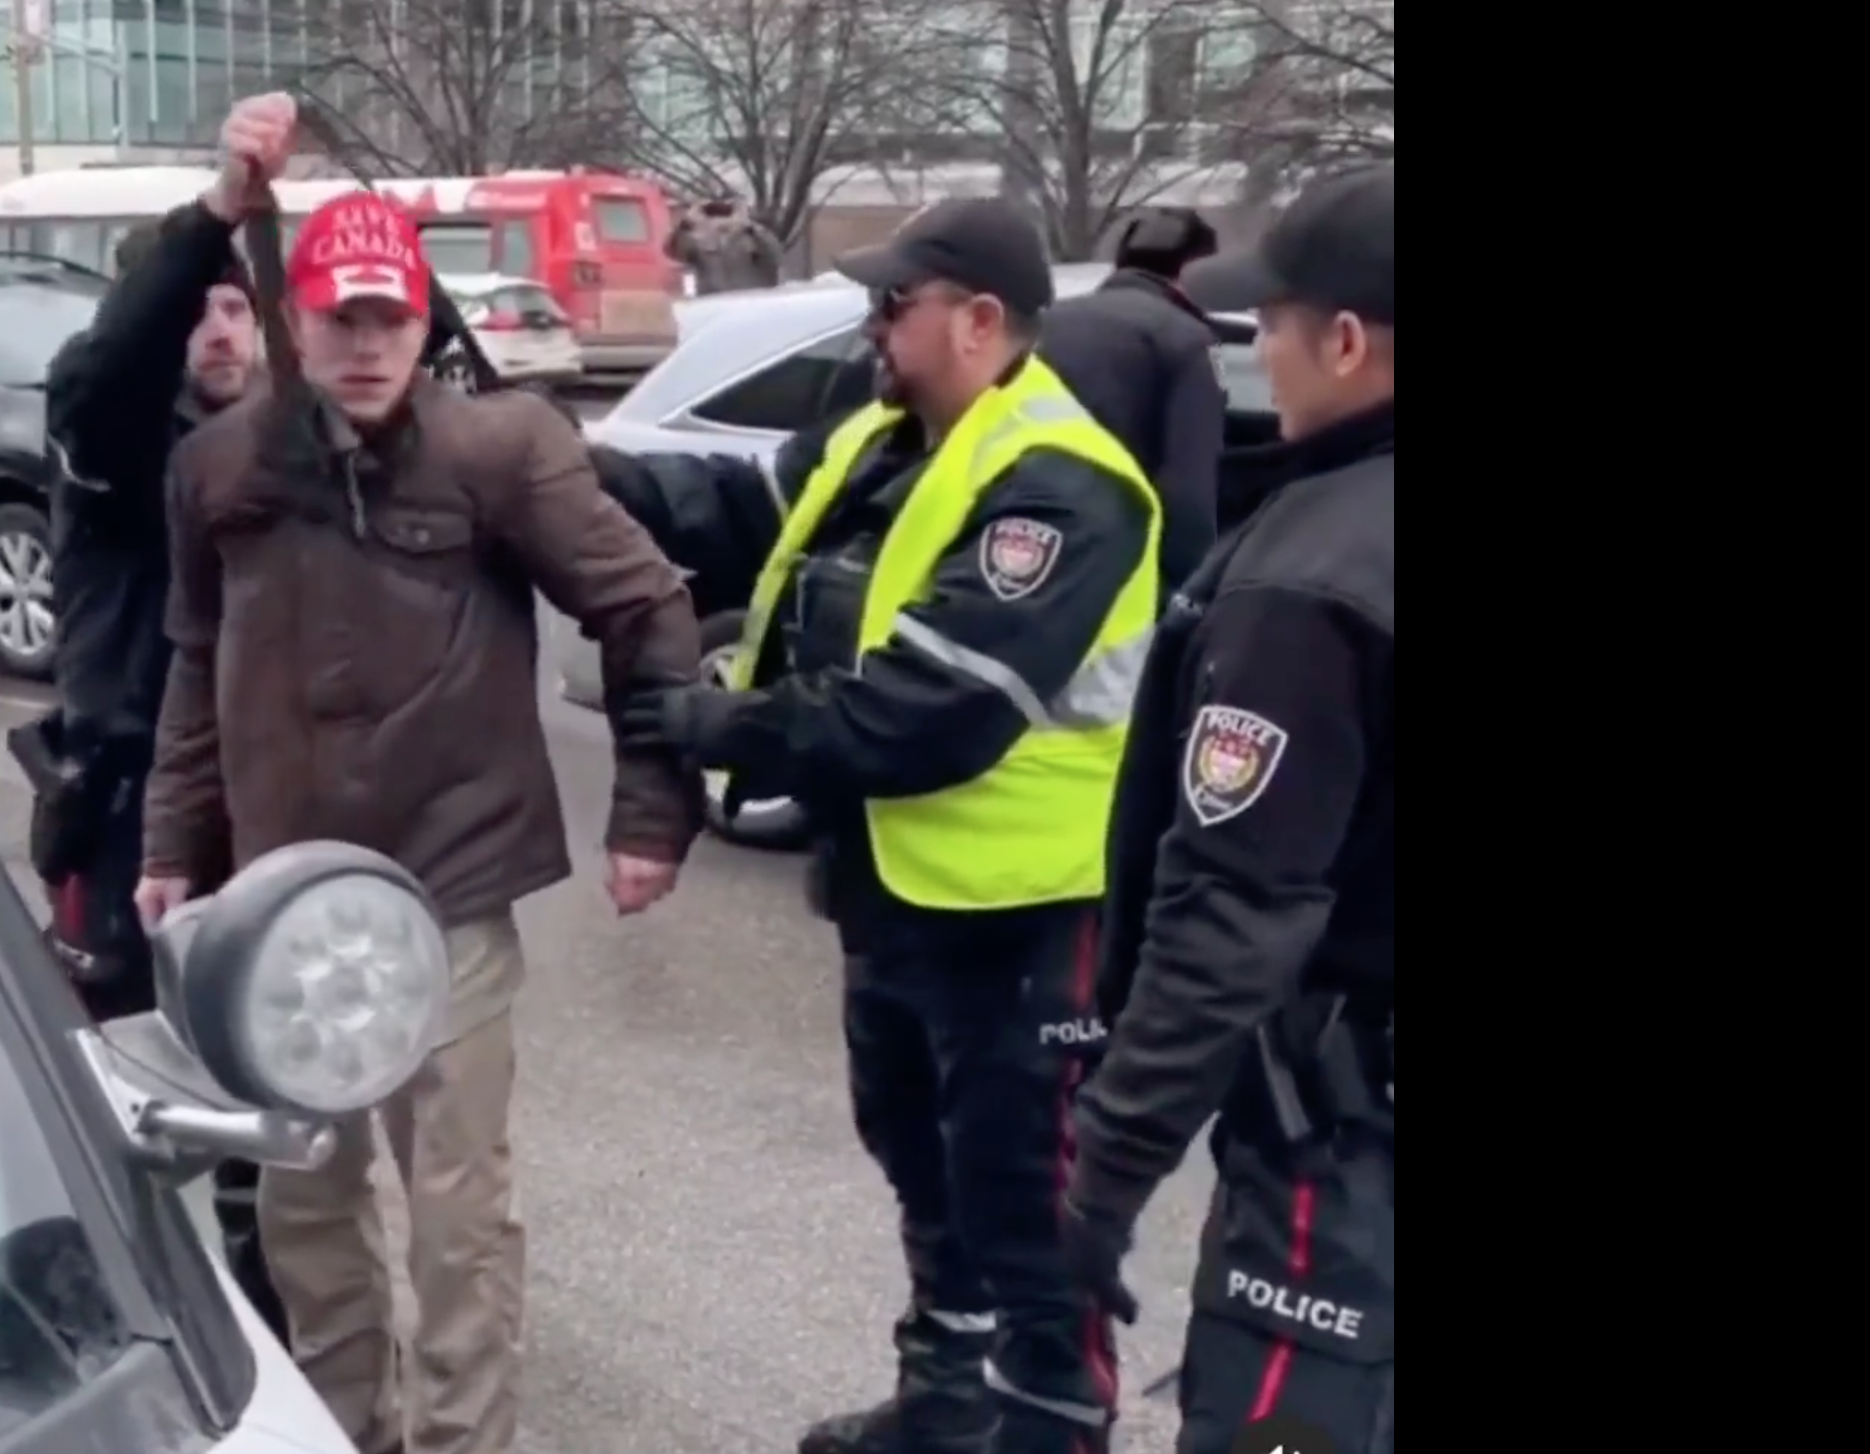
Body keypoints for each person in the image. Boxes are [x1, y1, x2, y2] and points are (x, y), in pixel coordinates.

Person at [136, 165, 705, 1454]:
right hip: (281, 911)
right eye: (342, 319)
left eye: (391, 318)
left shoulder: (497, 446)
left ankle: (464, 1441)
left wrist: (651, 813)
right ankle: (347, 1429)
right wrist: (176, 838)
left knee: (458, 1216)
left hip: (445, 889)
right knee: (307, 1206)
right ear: (298, 317)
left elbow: (645, 605)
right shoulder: (219, 462)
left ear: (421, 318)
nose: (369, 345)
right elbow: (193, 650)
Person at [596, 195, 1161, 1454]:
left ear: (981, 320)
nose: (871, 322)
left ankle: (1054, 1425)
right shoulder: (880, 442)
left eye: (892, 303)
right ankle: (946, 1402)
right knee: (919, 1156)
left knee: (1027, 1199)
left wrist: (716, 727)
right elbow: (735, 516)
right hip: (896, 893)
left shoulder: (1059, 482)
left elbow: (934, 711)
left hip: (1026, 914)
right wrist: (566, 464)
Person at [1060, 165, 1394, 1454]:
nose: (1259, 348)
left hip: (1342, 1154)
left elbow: (1230, 916)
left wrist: (1103, 1173)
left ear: (1348, 340)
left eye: (1276, 323)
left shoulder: (1311, 580)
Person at [17, 95, 281, 1338]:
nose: (220, 332)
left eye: (237, 308)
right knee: (123, 1081)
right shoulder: (116, 437)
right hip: (126, 804)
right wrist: (214, 215)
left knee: (255, 1078)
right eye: (199, 311)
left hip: (255, 805)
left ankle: (253, 1310)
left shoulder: (282, 446)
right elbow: (113, 365)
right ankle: (119, 1321)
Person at [1036, 206, 1228, 598]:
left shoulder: (1046, 323)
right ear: (1196, 273)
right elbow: (1189, 490)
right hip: (1124, 575)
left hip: (1028, 549)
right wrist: (1189, 591)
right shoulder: (1186, 339)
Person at [665, 192, 784, 293]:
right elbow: (672, 252)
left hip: (752, 304)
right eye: (713, 212)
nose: (721, 217)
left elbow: (775, 256)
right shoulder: (701, 240)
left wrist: (748, 226)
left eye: (728, 211)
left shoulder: (752, 237)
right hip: (715, 307)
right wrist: (686, 223)